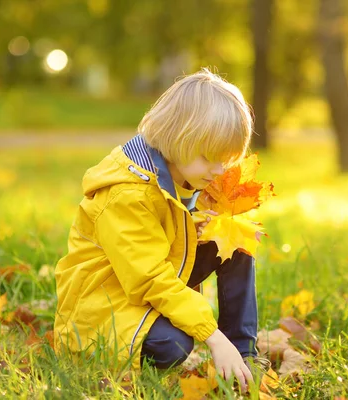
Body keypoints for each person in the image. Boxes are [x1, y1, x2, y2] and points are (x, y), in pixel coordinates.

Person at [54, 69, 267, 391]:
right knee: (172, 344)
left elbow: (165, 232)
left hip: (144, 282)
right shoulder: (127, 194)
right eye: (209, 157)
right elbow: (149, 277)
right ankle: (115, 356)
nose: (219, 170)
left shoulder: (180, 173)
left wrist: (206, 222)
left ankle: (243, 358)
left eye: (226, 159)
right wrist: (212, 336)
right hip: (104, 306)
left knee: (234, 241)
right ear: (175, 139)